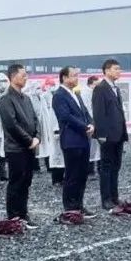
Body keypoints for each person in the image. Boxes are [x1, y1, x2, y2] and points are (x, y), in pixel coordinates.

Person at [0, 64, 40, 228]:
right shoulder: (6, 100)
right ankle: (14, 216)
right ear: (13, 77)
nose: (26, 77)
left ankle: (23, 213)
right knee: (16, 182)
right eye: (23, 75)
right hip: (16, 148)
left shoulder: (26, 98)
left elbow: (35, 120)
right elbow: (11, 125)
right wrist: (29, 140)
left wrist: (37, 137)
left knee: (26, 182)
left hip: (29, 147)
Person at [52, 66, 98, 218]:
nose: (76, 78)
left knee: (82, 174)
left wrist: (91, 124)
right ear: (64, 77)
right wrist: (85, 127)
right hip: (71, 140)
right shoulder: (59, 95)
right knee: (72, 175)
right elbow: (66, 116)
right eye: (73, 75)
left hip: (83, 139)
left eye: (77, 75)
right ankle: (70, 208)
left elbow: (85, 112)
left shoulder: (76, 94)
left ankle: (79, 204)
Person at [92, 59, 128, 211]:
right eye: (116, 69)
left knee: (116, 166)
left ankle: (114, 196)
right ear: (106, 71)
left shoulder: (115, 88)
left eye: (119, 69)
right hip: (107, 135)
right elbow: (99, 113)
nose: (119, 71)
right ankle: (106, 198)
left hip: (118, 134)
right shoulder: (100, 88)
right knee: (106, 168)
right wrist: (101, 134)